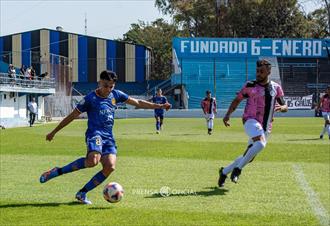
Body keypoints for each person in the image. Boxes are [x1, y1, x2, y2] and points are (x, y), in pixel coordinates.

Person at [39, 70, 171, 204]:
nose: (108, 89)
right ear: (99, 83)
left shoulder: (116, 95)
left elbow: (137, 102)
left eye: (111, 86)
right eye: (105, 85)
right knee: (93, 161)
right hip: (95, 134)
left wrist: (159, 105)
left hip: (109, 137)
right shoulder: (90, 99)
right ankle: (57, 171)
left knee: (110, 166)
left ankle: (82, 193)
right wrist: (54, 131)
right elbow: (72, 116)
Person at [218, 59, 288, 187]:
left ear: (268, 71)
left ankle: (224, 171)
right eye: (257, 71)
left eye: (261, 71)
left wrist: (282, 108)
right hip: (250, 120)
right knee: (261, 143)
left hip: (266, 126)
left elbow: (285, 106)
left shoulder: (276, 88)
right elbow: (237, 100)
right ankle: (237, 170)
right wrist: (228, 114)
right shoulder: (249, 85)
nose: (258, 74)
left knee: (248, 157)